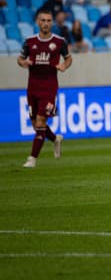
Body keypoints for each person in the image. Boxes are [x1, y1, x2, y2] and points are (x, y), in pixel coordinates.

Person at [18, 9, 72, 168]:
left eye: (49, 20)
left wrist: (64, 65)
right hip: (32, 88)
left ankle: (32, 159)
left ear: (52, 22)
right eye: (43, 20)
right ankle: (55, 139)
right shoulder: (29, 42)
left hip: (49, 88)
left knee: (41, 121)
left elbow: (68, 58)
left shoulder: (60, 42)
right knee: (36, 124)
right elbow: (20, 59)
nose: (46, 23)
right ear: (37, 22)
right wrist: (24, 63)